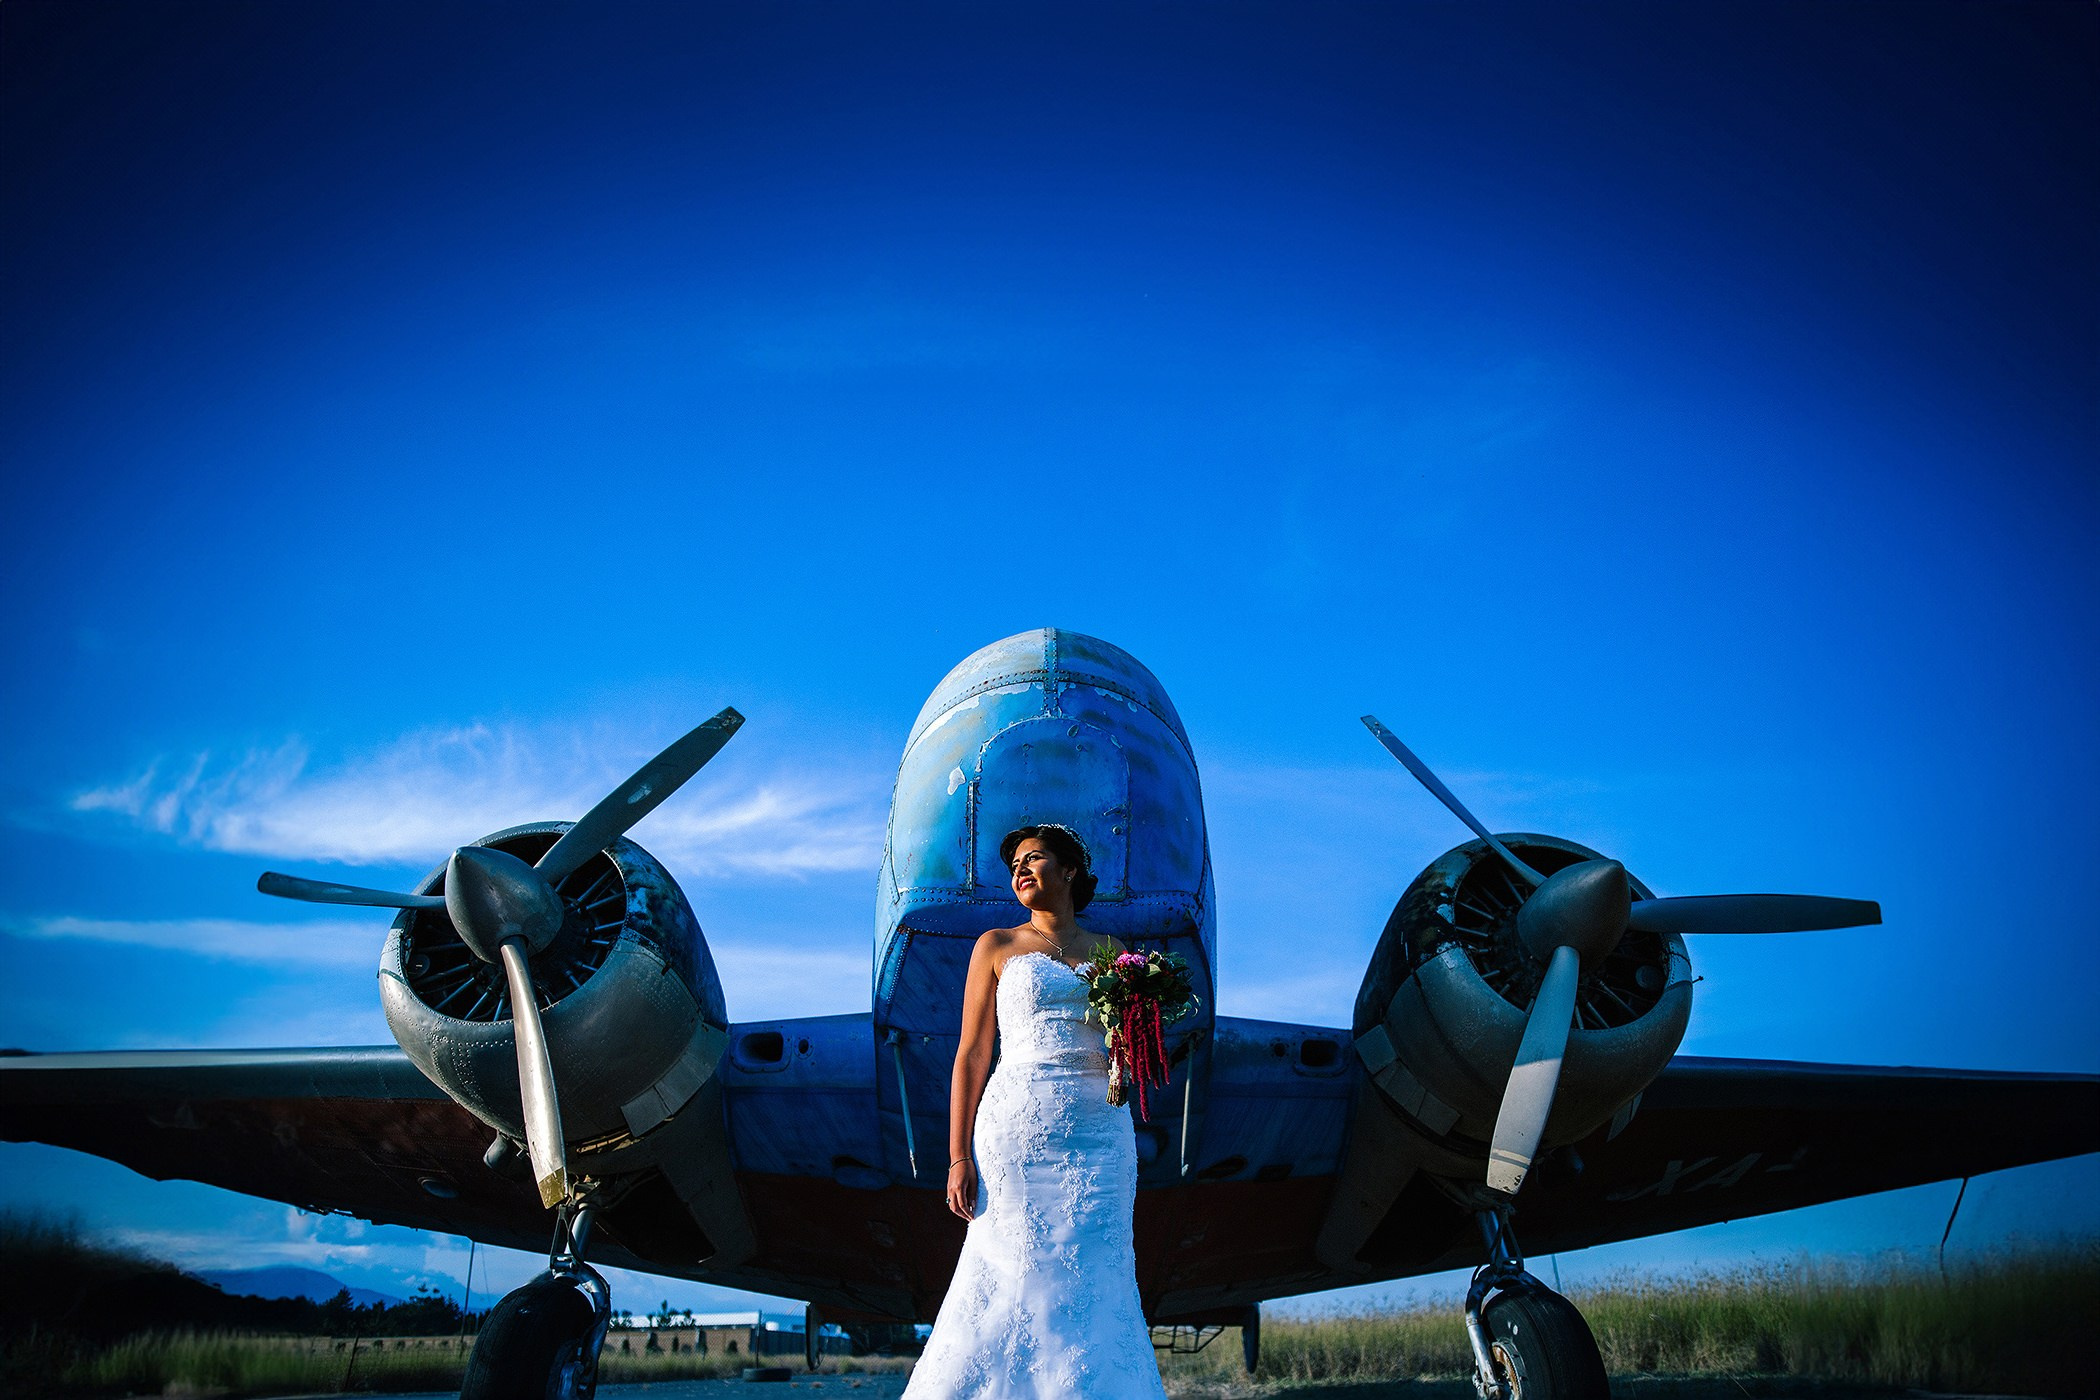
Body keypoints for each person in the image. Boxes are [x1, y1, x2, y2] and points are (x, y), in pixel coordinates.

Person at [899, 823, 1169, 1398]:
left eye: (1034, 858)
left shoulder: (1117, 955)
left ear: (1070, 871)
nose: (1020, 870)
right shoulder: (996, 945)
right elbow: (972, 1053)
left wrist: (1138, 1031)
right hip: (1019, 1130)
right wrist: (956, 1156)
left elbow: (1129, 1047)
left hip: (1102, 1132)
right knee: (1008, 1263)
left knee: (1098, 1269)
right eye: (1014, 863)